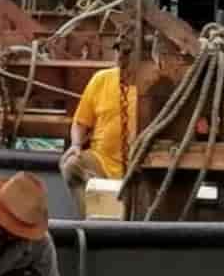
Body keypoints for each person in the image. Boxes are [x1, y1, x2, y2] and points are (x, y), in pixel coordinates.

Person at [59, 44, 163, 198]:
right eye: (118, 50)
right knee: (71, 165)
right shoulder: (101, 79)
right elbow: (80, 122)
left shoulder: (158, 82)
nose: (120, 56)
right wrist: (76, 144)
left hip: (144, 167)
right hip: (102, 163)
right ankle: (94, 217)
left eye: (127, 52)